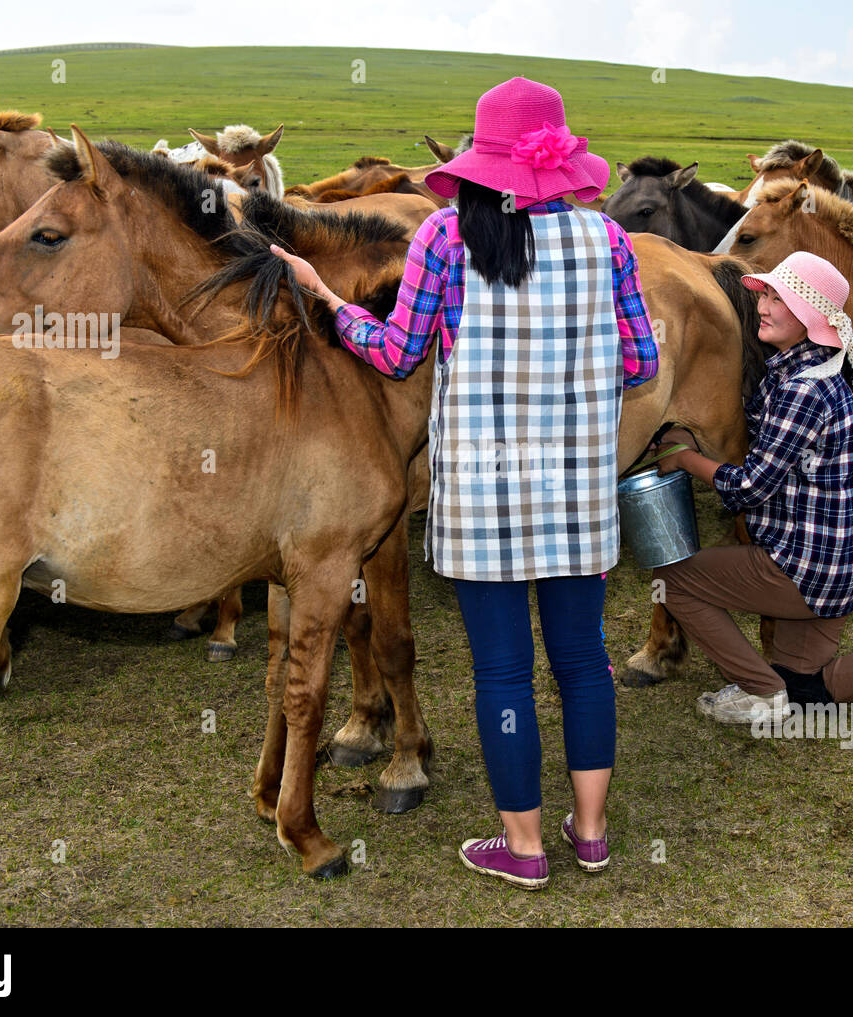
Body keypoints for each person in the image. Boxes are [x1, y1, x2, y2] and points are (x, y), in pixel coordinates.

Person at [271, 77, 658, 889]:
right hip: (578, 491)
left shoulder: (444, 239)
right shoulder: (607, 241)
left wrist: (324, 296)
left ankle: (522, 848)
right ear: (561, 159)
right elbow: (641, 362)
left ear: (478, 162)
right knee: (584, 663)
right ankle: (590, 832)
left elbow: (397, 353)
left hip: (483, 499)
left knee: (504, 673)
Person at [648, 251, 853, 732]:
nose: (761, 305)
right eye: (764, 294)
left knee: (673, 580)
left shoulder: (801, 388)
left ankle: (760, 692)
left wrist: (685, 458)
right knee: (804, 688)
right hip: (836, 568)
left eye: (778, 299)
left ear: (809, 319)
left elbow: (750, 487)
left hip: (802, 569)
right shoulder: (809, 371)